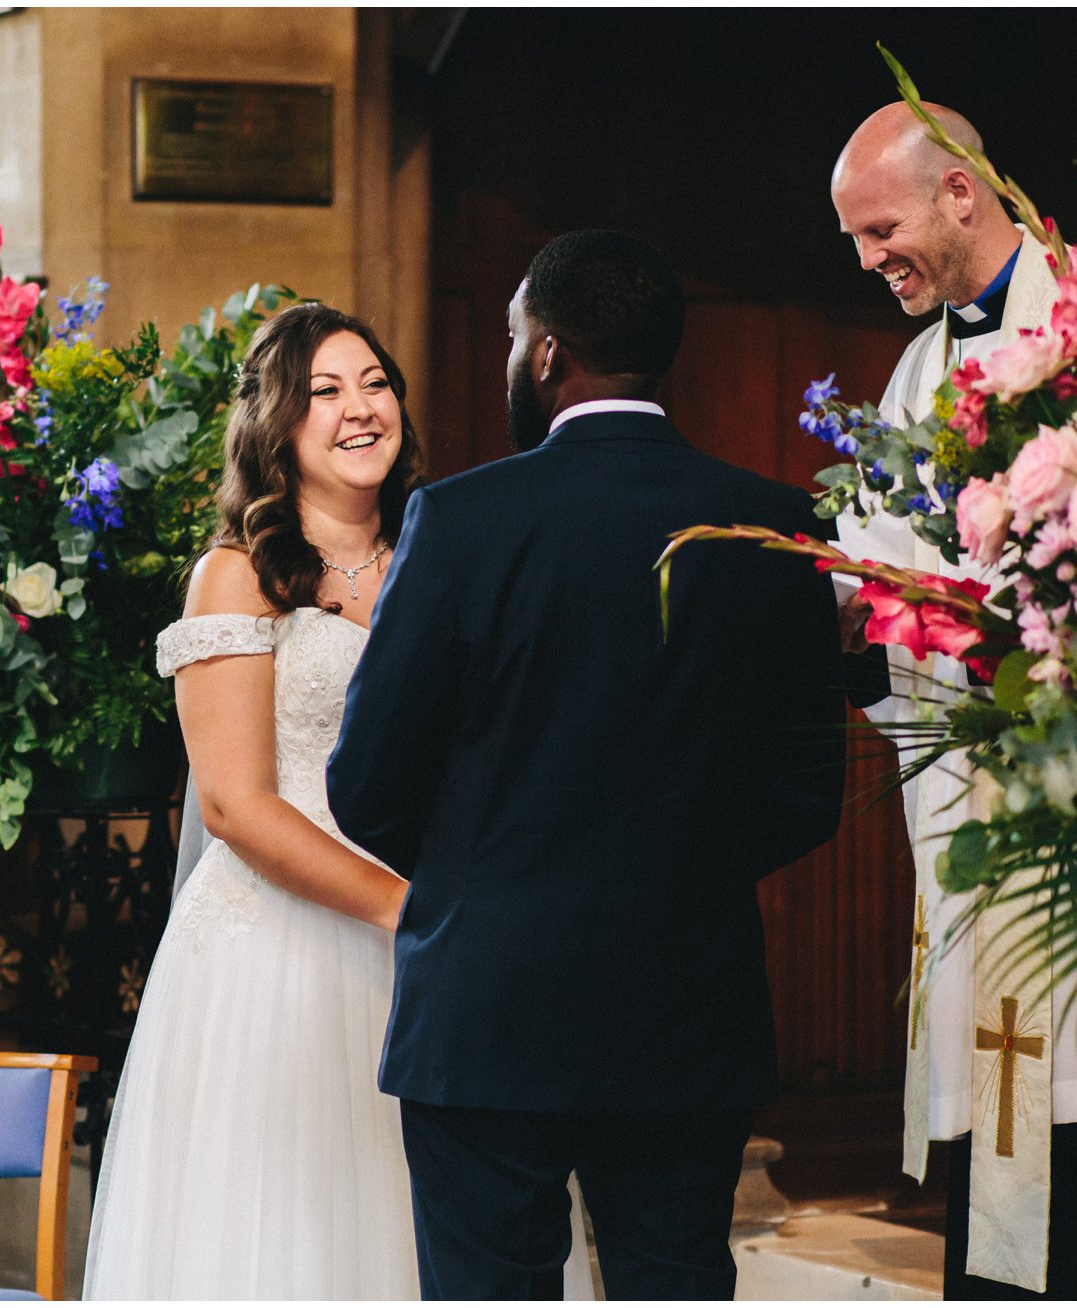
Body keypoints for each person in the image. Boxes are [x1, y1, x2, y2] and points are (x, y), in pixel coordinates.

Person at [328, 230, 849, 1300]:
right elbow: (804, 795)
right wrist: (680, 873)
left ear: (550, 353)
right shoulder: (779, 526)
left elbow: (366, 779)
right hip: (686, 1002)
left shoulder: (464, 521)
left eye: (514, 334)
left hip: (489, 1005)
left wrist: (480, 873)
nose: (513, 357)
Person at [82, 303, 593, 1299]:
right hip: (279, 959)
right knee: (293, 1231)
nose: (360, 409)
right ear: (276, 422)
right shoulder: (235, 577)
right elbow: (233, 806)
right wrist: (409, 913)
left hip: (445, 948)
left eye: (373, 384)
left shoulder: (446, 554)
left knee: (447, 1228)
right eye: (324, 391)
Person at [830, 102, 1077, 1299]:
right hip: (985, 797)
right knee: (1009, 1112)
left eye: (879, 229)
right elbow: (881, 563)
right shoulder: (914, 371)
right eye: (853, 241)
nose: (868, 259)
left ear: (958, 194)